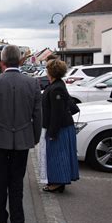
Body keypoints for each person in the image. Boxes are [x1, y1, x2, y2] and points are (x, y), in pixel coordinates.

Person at [0, 45, 42, 223]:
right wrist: (35, 137)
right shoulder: (32, 83)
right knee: (16, 180)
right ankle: (18, 220)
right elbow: (38, 114)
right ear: (20, 61)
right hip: (22, 139)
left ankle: (0, 216)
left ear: (2, 62)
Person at [41, 59, 79, 193]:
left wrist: (52, 132)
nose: (46, 72)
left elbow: (57, 113)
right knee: (58, 155)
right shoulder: (58, 84)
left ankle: (57, 183)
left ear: (51, 71)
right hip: (62, 127)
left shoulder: (56, 87)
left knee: (57, 156)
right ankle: (58, 181)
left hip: (59, 128)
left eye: (47, 69)